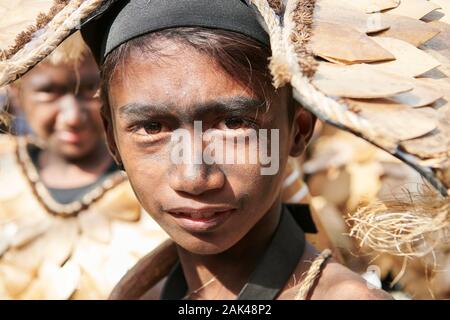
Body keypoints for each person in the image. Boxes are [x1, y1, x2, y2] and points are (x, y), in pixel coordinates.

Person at [1, 0, 448, 300]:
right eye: (152, 127)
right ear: (112, 138)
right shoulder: (146, 291)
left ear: (298, 131)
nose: (193, 177)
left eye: (234, 124)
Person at [0, 33, 168, 299]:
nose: (73, 116)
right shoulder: (4, 167)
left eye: (90, 89)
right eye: (49, 91)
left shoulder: (158, 180)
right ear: (17, 92)